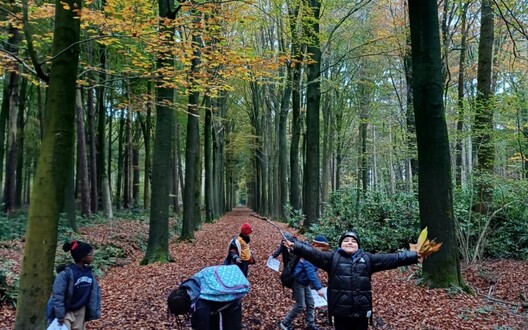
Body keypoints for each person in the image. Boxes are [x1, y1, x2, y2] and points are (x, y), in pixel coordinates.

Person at [283, 231, 422, 330]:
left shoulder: (368, 259)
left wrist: (414, 256)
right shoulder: (332, 258)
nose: (350, 242)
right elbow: (314, 254)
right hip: (340, 312)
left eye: (353, 241)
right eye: (346, 240)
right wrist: (296, 246)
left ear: (358, 246)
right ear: (340, 244)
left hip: (361, 311)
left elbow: (393, 259)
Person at [168, 265, 250, 330]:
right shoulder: (189, 286)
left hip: (230, 307)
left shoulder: (200, 307)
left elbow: (202, 326)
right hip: (232, 295)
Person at [279, 235, 329, 330]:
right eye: (320, 248)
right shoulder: (309, 255)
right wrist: (318, 288)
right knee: (300, 305)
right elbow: (310, 271)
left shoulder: (315, 254)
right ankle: (285, 323)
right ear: (315, 245)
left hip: (305, 282)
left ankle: (310, 325)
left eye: (323, 249)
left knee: (310, 303)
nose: (321, 251)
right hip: (298, 281)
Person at [49, 240, 101, 330]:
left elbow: (94, 293)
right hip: (66, 312)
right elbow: (58, 295)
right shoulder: (66, 274)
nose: (92, 256)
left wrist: (92, 311)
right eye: (90, 254)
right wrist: (60, 315)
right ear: (82, 257)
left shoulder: (89, 273)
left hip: (81, 311)